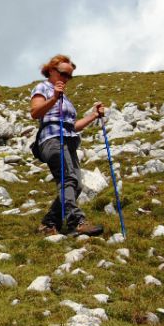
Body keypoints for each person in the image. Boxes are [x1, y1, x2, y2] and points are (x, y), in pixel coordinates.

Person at [30, 55, 105, 236]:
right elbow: (35, 112)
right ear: (51, 70)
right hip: (53, 138)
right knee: (67, 179)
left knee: (76, 184)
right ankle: (76, 222)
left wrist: (93, 116)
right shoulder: (43, 88)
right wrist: (54, 97)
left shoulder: (64, 96)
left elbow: (72, 125)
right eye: (63, 74)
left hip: (68, 140)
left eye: (69, 76)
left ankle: (49, 223)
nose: (66, 79)